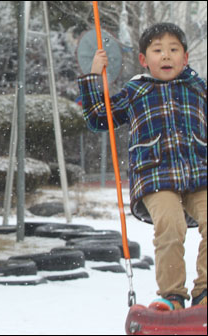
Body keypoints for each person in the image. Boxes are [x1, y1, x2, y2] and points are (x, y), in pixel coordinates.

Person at [78, 23, 206, 310]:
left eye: (174, 50)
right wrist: (93, 76)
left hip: (200, 174)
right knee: (170, 226)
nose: (166, 56)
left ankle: (205, 292)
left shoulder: (198, 88)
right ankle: (172, 296)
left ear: (185, 58)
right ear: (143, 60)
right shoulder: (137, 91)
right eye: (157, 50)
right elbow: (98, 118)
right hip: (156, 175)